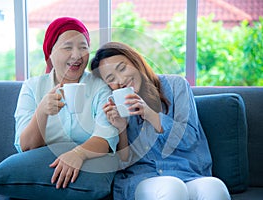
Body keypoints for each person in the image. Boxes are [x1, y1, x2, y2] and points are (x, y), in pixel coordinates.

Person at [90, 41, 231, 200]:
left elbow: (190, 139)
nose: (121, 79)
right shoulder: (115, 106)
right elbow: (124, 163)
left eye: (122, 68)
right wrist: (122, 129)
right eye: (111, 78)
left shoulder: (176, 85)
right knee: (171, 187)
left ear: (136, 62)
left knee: (214, 187)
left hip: (188, 175)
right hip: (143, 179)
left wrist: (151, 115)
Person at [14, 17, 119, 198]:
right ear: (50, 52)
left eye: (83, 47)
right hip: (40, 174)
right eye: (67, 47)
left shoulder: (99, 86)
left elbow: (107, 137)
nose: (77, 55)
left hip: (88, 174)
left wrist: (78, 154)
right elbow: (26, 147)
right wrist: (42, 112)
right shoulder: (32, 87)